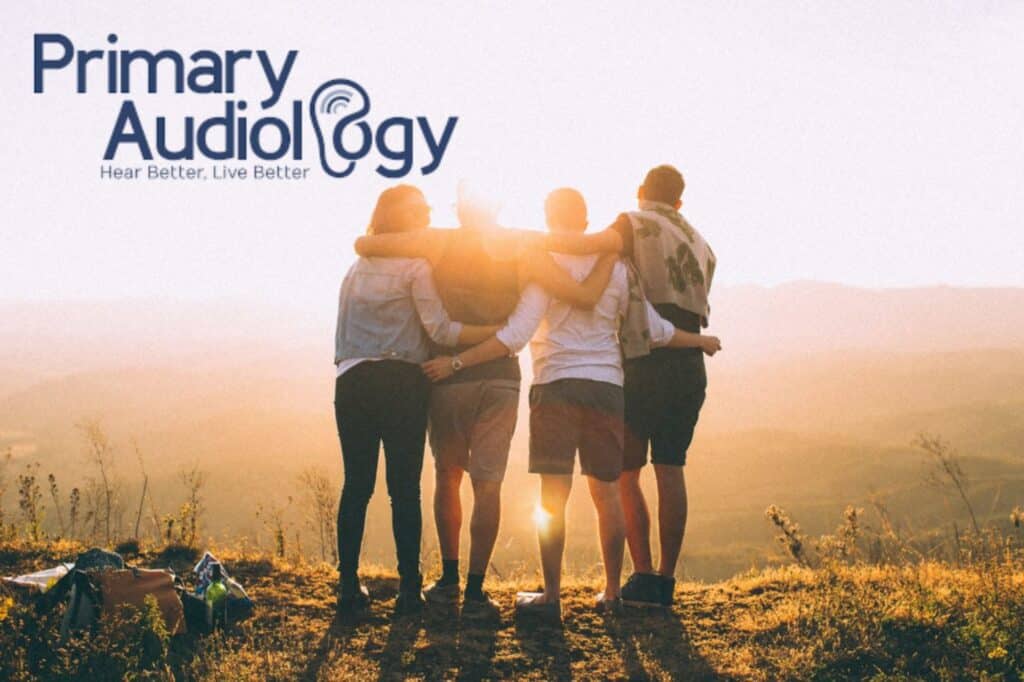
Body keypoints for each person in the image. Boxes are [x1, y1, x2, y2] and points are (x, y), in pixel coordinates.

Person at [421, 188, 720, 618]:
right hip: (607, 388)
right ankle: (613, 593)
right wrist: (700, 341)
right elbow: (653, 329)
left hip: (555, 385)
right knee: (607, 495)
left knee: (552, 497)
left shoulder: (543, 263)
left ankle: (552, 597)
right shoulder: (617, 266)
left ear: (548, 217)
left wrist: (457, 361)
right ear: (585, 221)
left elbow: (516, 335)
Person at [354, 184, 615, 616]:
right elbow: (569, 264)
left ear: (460, 211)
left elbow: (368, 244)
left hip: (447, 376)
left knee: (448, 477)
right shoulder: (521, 243)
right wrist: (611, 246)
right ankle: (476, 593)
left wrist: (365, 240)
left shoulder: (438, 240)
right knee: (488, 484)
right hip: (500, 377)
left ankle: (449, 580)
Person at [542, 165, 717, 607]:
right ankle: (665, 580)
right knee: (672, 468)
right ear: (679, 201)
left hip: (644, 360)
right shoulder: (701, 243)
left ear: (641, 192)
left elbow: (586, 246)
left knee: (625, 472)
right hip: (689, 362)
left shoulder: (631, 223)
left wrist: (529, 244)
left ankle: (638, 576)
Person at [333, 185, 501, 618]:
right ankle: (409, 591)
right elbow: (441, 331)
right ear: (406, 220)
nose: (427, 216)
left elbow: (342, 336)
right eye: (421, 211)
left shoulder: (356, 268)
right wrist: (493, 333)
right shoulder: (416, 266)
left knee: (357, 486)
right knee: (403, 489)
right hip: (402, 383)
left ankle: (348, 589)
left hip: (352, 381)